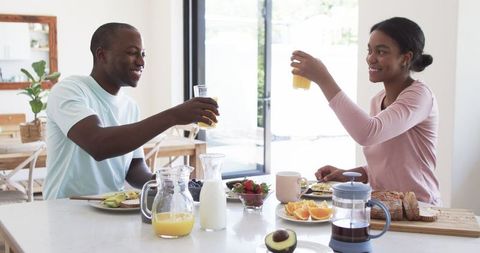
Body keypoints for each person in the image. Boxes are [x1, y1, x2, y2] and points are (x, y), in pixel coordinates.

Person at [43, 23, 218, 199]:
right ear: (102, 55)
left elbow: (133, 168)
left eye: (143, 54)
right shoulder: (70, 90)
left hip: (112, 206)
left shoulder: (130, 106)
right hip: (66, 210)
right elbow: (98, 145)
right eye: (132, 53)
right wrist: (173, 116)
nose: (141, 62)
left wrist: (162, 182)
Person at [290, 17, 441, 205]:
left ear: (405, 58)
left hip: (418, 208)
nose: (371, 58)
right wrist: (351, 174)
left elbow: (368, 133)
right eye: (369, 50)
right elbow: (390, 162)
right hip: (385, 207)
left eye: (381, 51)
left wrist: (323, 78)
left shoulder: (420, 96)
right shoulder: (378, 100)